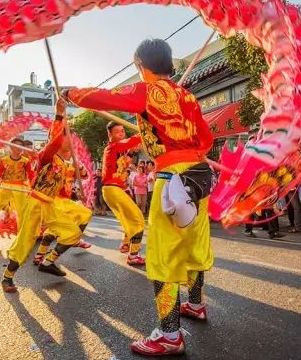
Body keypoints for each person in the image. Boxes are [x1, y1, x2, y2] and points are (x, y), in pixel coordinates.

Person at [65, 38, 214, 356]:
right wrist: (192, 153)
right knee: (194, 246)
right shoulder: (187, 96)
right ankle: (196, 304)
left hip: (171, 177)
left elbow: (104, 98)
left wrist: (70, 93)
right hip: (200, 178)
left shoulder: (146, 91)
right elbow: (207, 137)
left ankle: (170, 334)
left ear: (140, 65)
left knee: (163, 256)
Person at [1, 99, 82, 292]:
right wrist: (59, 114)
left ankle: (48, 262)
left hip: (50, 205)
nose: (70, 143)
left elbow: (67, 184)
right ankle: (7, 278)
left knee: (73, 232)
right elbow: (53, 139)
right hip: (35, 201)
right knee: (26, 241)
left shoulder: (64, 163)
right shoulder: (48, 156)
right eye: (66, 139)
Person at [90, 121, 145, 264]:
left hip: (116, 190)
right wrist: (146, 130)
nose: (121, 134)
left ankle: (126, 244)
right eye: (117, 132)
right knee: (138, 219)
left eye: (122, 131)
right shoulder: (113, 147)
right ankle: (133, 255)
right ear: (110, 134)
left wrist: (132, 151)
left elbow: (131, 149)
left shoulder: (121, 150)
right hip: (112, 189)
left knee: (128, 219)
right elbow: (133, 141)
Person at [32, 159, 93, 265]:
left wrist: (80, 166)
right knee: (85, 213)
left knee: (54, 229)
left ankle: (39, 255)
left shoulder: (71, 165)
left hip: (65, 201)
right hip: (55, 199)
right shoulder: (53, 162)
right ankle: (73, 240)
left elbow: (84, 176)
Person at [0, 136, 34, 222]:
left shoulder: (26, 161)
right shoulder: (4, 160)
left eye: (21, 146)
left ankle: (21, 232)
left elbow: (31, 175)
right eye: (17, 145)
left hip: (20, 187)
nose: (19, 148)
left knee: (22, 212)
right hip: (5, 185)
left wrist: (34, 185)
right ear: (11, 147)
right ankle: (7, 210)